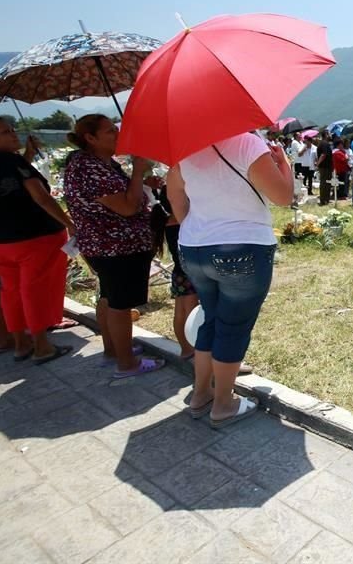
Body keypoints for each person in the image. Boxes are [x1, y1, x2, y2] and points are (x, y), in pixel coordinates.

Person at [166, 131, 292, 428]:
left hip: (194, 249)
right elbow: (283, 197)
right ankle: (223, 404)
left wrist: (195, 228)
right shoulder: (248, 143)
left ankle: (201, 394)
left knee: (211, 319)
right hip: (242, 247)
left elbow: (175, 195)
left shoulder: (184, 149)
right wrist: (284, 164)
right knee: (233, 326)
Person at [63, 114, 165, 377]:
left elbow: (123, 194)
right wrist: (140, 170)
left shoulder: (98, 163)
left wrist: (141, 182)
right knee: (120, 305)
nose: (117, 135)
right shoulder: (90, 168)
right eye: (110, 131)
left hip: (107, 246)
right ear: (90, 138)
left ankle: (114, 351)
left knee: (108, 297)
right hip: (116, 246)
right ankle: (126, 363)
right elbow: (128, 207)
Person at [0, 115, 73, 362]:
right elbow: (40, 196)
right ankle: (42, 346)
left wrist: (28, 157)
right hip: (36, 236)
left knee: (11, 291)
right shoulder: (11, 161)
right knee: (35, 290)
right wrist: (69, 223)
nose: (13, 134)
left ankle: (21, 344)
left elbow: (5, 185)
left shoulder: (5, 162)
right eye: (5, 131)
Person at [315, 130, 334, 205]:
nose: (330, 135)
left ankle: (326, 199)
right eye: (329, 134)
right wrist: (318, 164)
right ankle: (323, 200)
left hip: (326, 167)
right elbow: (323, 155)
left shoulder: (323, 143)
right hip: (324, 167)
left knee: (327, 183)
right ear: (326, 135)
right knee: (324, 183)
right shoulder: (324, 144)